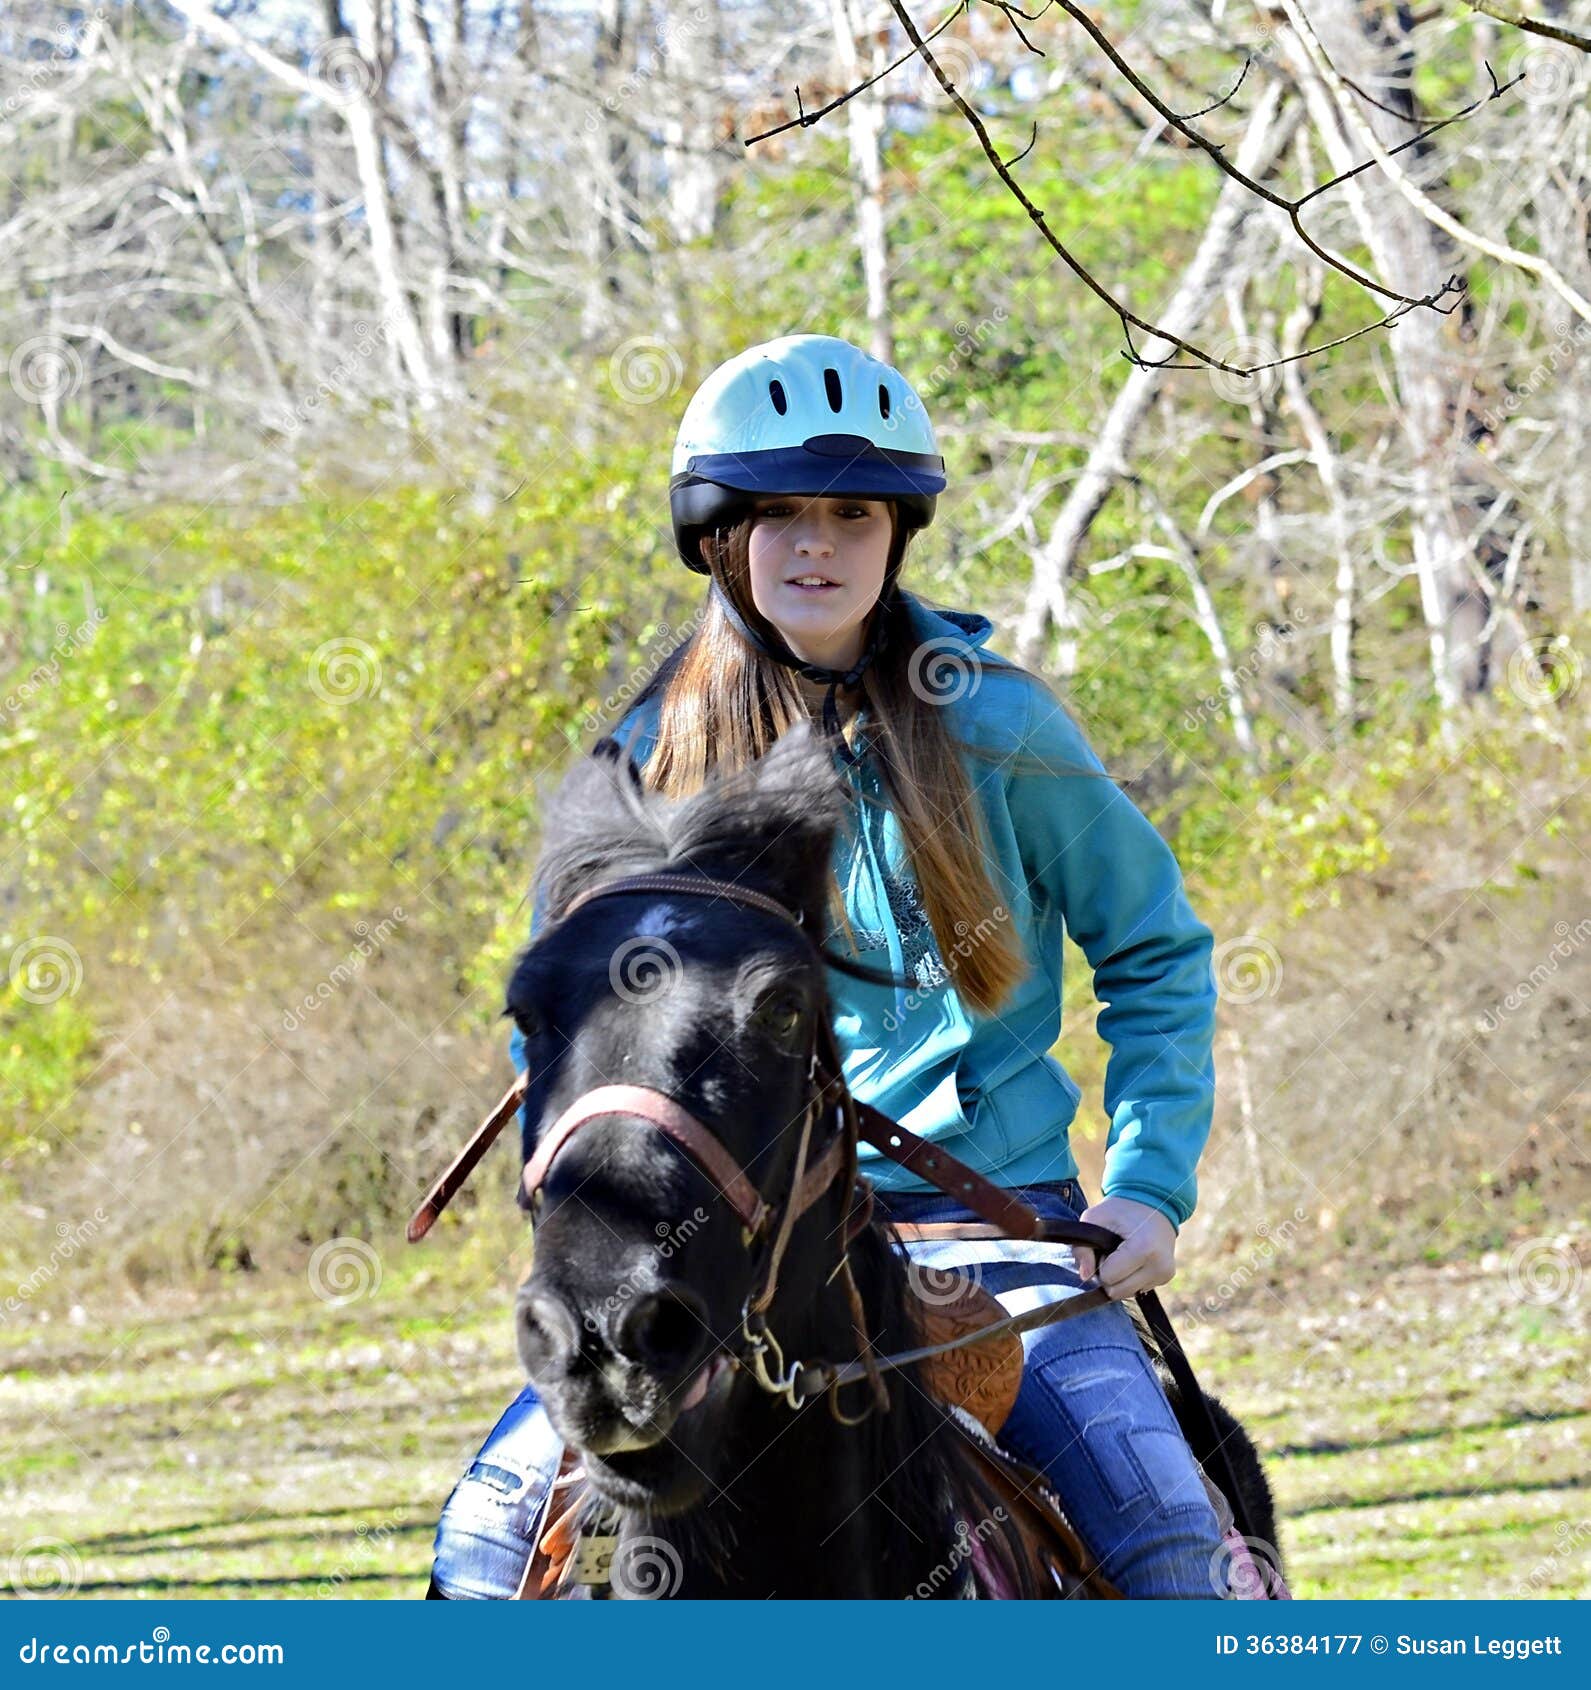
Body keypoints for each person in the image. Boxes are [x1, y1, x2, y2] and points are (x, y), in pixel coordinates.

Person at [429, 333, 1228, 1599]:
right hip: (725, 1257)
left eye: (851, 514)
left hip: (995, 1232)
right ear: (716, 536)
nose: (816, 545)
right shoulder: (641, 765)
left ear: (896, 533)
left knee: (1175, 1545)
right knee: (479, 1548)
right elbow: (571, 1044)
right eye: (779, 515)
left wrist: (1146, 1187)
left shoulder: (995, 722)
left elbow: (1155, 948)